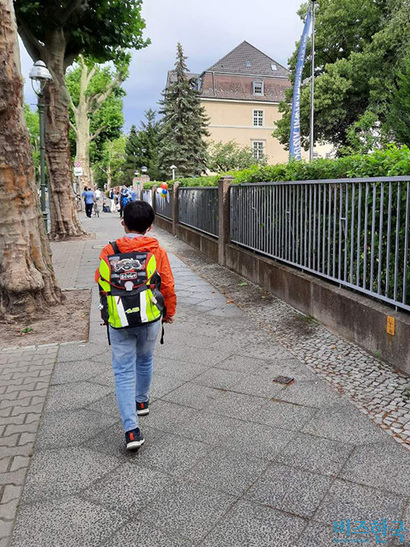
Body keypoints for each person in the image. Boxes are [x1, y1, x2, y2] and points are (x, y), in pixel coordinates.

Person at [95, 201, 176, 450]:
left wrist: (107, 311)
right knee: (145, 360)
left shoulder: (109, 251)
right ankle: (142, 402)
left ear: (123, 222)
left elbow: (101, 282)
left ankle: (131, 431)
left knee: (123, 372)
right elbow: (168, 286)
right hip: (150, 316)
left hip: (119, 319)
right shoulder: (157, 251)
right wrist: (169, 313)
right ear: (150, 227)